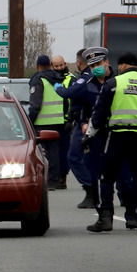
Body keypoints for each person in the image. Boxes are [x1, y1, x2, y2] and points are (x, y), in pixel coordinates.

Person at [84, 52, 137, 233]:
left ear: (122, 66)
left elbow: (99, 113)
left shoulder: (114, 84)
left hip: (117, 136)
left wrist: (89, 136)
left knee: (106, 177)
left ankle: (105, 218)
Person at [54, 49, 95, 208]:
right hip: (93, 121)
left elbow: (70, 92)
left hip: (85, 122)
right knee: (91, 158)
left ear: (79, 62)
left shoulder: (85, 78)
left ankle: (91, 189)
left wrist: (59, 89)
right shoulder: (99, 77)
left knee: (74, 157)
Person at [28, 54, 65, 190]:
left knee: (42, 152)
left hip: (43, 121)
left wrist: (30, 120)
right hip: (58, 120)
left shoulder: (38, 80)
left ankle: (45, 179)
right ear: (49, 65)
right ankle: (55, 179)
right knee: (54, 151)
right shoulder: (57, 78)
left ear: (38, 66)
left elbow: (35, 105)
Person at [51, 55, 73, 190]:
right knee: (55, 152)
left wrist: (70, 119)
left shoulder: (72, 79)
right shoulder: (50, 79)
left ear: (65, 64)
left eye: (61, 65)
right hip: (53, 120)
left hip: (66, 121)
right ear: (52, 66)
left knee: (64, 152)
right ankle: (56, 176)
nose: (59, 68)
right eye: (56, 66)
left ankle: (62, 177)